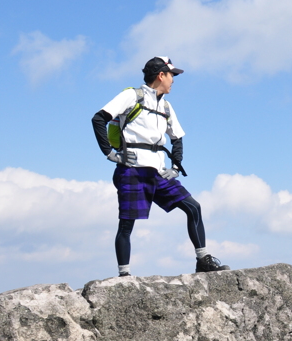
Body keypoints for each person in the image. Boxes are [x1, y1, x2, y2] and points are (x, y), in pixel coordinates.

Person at [91, 56, 229, 277]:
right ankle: (125, 275)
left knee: (193, 207)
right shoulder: (131, 96)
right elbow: (99, 118)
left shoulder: (165, 105)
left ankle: (203, 260)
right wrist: (109, 153)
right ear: (161, 75)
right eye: (171, 75)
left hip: (159, 172)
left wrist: (175, 166)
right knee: (127, 223)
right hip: (132, 170)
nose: (173, 80)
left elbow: (177, 137)